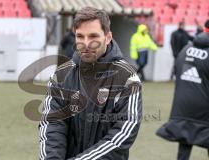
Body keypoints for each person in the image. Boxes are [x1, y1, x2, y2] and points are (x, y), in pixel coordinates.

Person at [39, 7, 142, 160]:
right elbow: (52, 124)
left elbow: (123, 134)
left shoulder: (127, 78)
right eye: (80, 36)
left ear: (108, 37)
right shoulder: (61, 75)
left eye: (93, 36)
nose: (86, 43)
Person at [156, 19, 209, 160]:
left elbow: (178, 72)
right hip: (204, 107)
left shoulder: (186, 48)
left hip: (183, 106)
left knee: (185, 142)